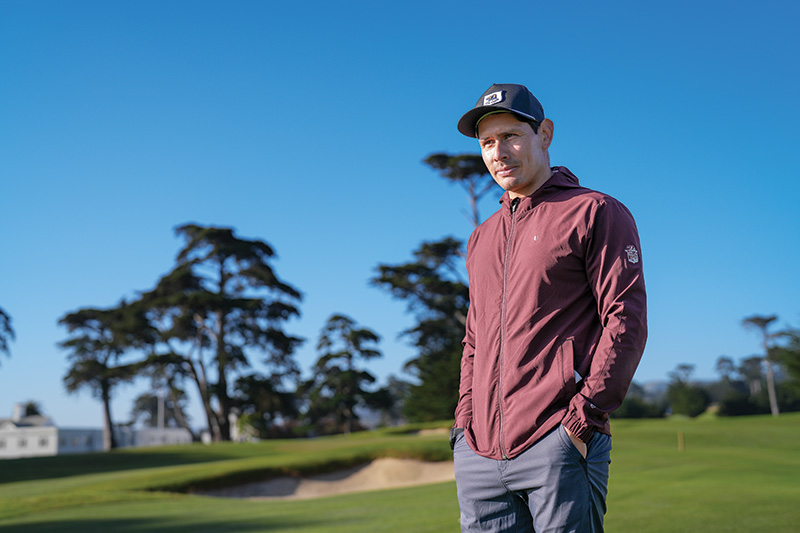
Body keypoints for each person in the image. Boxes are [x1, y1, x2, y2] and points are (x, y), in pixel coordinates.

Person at [450, 83, 648, 532]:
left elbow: (626, 317)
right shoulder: (481, 238)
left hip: (557, 442)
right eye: (488, 142)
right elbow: (475, 338)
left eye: (511, 135)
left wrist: (585, 417)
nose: (499, 152)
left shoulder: (594, 211)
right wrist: (465, 425)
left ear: (545, 134)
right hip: (480, 454)